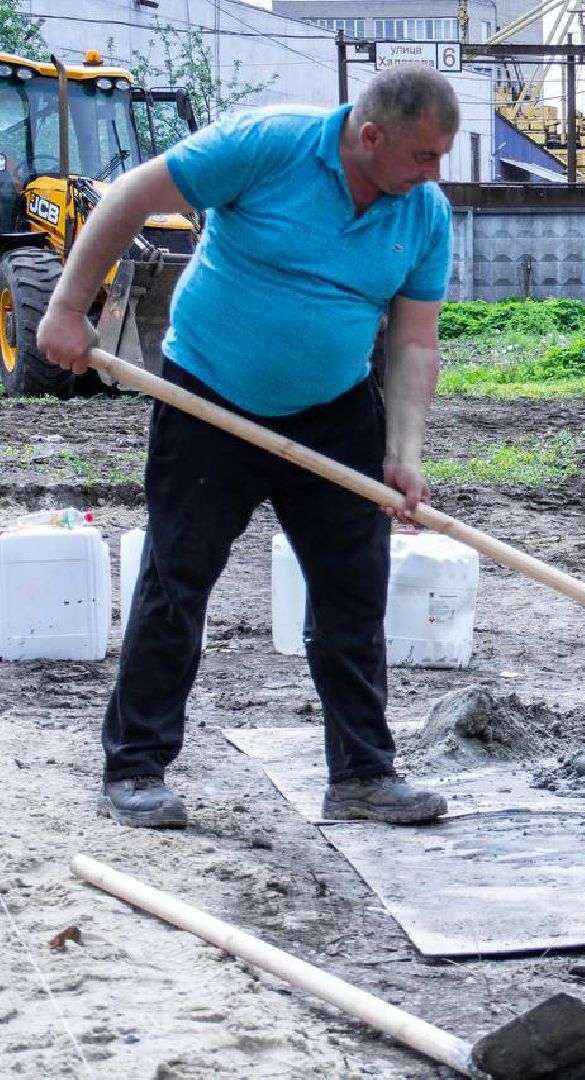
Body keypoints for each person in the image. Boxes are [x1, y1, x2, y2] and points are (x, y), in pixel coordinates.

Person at [36, 67, 460, 829]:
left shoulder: (424, 212)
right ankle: (135, 767)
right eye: (424, 155)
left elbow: (413, 341)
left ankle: (362, 775)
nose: (435, 173)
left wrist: (403, 452)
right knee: (177, 579)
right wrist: (67, 308)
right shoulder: (267, 145)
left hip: (335, 413)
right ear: (371, 137)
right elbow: (129, 196)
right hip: (207, 401)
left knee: (353, 594)